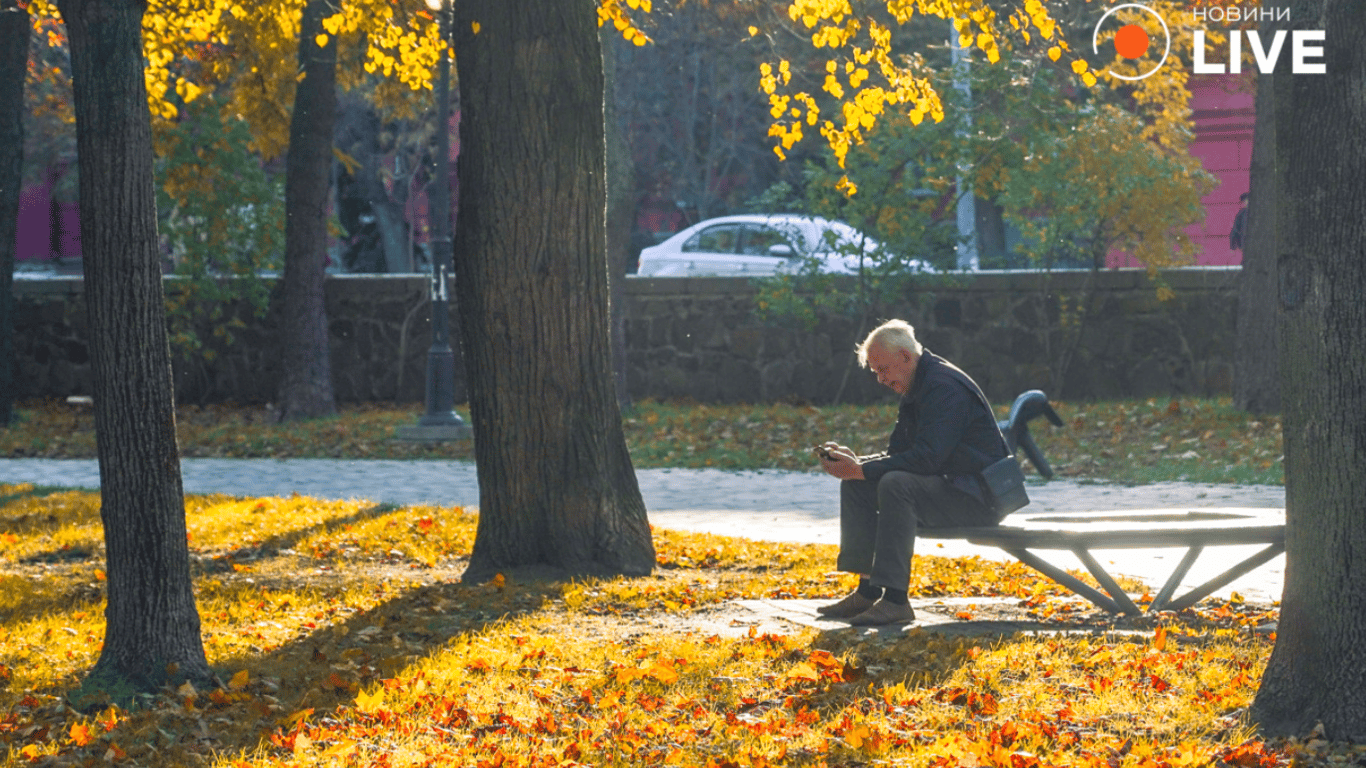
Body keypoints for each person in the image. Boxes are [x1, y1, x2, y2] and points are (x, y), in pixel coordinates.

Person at [815, 319, 1009, 626]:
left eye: (883, 369)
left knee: (895, 483)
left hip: (978, 498)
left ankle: (895, 600)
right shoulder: (918, 384)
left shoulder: (943, 387)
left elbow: (927, 460)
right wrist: (857, 465)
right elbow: (900, 456)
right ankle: (867, 591)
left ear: (906, 357)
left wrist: (864, 469)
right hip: (951, 486)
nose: (880, 379)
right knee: (857, 484)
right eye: (876, 371)